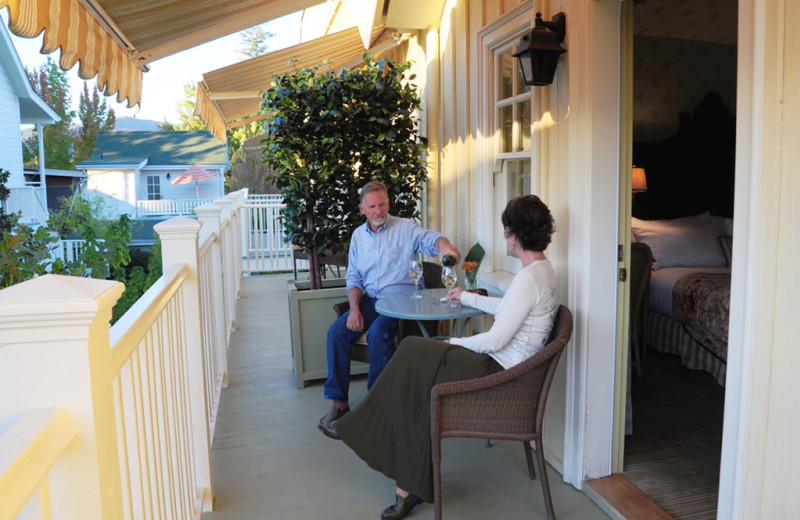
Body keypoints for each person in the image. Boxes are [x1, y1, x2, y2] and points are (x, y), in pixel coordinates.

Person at [333, 194, 559, 520]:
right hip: (508, 369)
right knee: (412, 366)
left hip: (497, 374)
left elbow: (495, 340)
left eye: (507, 229)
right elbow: (508, 309)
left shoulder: (528, 278)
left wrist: (451, 342)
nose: (505, 236)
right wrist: (466, 296)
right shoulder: (542, 271)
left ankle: (368, 430)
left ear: (515, 235)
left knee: (413, 361)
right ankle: (403, 480)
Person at [318, 180, 460, 439]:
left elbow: (430, 239)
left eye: (382, 204)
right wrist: (354, 309)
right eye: (372, 206)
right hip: (372, 301)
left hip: (402, 302)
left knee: (377, 335)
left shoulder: (405, 229)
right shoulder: (358, 237)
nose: (378, 210)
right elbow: (354, 278)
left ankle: (378, 407)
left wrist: (445, 247)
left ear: (388, 203)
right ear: (362, 209)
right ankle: (339, 404)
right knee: (335, 333)